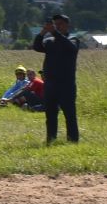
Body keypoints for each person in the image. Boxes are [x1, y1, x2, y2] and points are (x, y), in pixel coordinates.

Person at [32, 13, 82, 143]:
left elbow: (70, 48)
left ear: (67, 25)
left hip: (67, 85)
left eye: (59, 24)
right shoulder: (49, 41)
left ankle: (73, 141)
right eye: (55, 24)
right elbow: (37, 47)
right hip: (50, 84)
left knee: (69, 114)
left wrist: (55, 33)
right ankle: (51, 139)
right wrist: (43, 31)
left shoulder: (73, 39)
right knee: (50, 115)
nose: (57, 27)